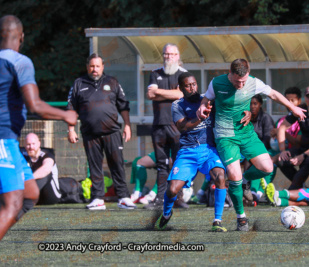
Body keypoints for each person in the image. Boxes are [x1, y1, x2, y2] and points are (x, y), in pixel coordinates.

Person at [197, 59, 306, 231]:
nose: (241, 84)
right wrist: (202, 107)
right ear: (230, 73)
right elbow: (206, 99)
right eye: (237, 81)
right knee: (234, 175)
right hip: (225, 136)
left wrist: (293, 108)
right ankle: (241, 218)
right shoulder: (217, 83)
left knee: (267, 167)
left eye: (244, 81)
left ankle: (246, 180)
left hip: (246, 133)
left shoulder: (254, 83)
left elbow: (274, 94)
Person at [0, 15, 77, 240]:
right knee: (13, 204)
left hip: (10, 141)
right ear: (21, 37)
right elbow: (35, 105)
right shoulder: (20, 62)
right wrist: (66, 114)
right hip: (3, 139)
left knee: (30, 194)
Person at [156, 72, 249, 232]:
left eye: (194, 84)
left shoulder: (207, 100)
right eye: (187, 85)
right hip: (188, 152)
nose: (192, 88)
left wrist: (246, 111)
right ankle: (166, 214)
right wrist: (200, 117)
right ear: (180, 88)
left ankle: (217, 221)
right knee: (172, 190)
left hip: (209, 149)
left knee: (220, 177)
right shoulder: (177, 105)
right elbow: (182, 126)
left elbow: (229, 105)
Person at [67, 53, 136, 210]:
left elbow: (123, 105)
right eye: (92, 66)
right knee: (94, 166)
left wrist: (127, 125)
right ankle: (97, 198)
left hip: (112, 132)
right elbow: (71, 107)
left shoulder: (112, 82)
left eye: (97, 66)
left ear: (103, 67)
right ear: (87, 67)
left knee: (117, 164)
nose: (94, 69)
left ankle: (124, 197)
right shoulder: (79, 83)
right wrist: (71, 129)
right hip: (90, 133)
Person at [145, 43, 187, 209]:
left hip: (178, 126)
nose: (169, 57)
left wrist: (159, 92)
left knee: (179, 163)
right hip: (159, 125)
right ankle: (160, 199)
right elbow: (150, 94)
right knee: (161, 164)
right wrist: (172, 93)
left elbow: (181, 94)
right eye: (166, 54)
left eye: (172, 54)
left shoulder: (184, 74)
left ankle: (178, 198)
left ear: (178, 56)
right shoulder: (155, 73)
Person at [277, 85, 309, 190]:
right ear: (305, 98)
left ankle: (291, 191)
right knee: (281, 160)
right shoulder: (300, 110)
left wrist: (302, 156)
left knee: (307, 161)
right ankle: (301, 187)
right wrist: (282, 150)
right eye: (308, 97)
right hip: (302, 147)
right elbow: (281, 128)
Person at [243, 94, 275, 202]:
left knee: (265, 163)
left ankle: (256, 192)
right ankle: (247, 190)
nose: (252, 106)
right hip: (246, 150)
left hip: (265, 150)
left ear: (260, 104)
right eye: (250, 104)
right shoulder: (244, 118)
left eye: (255, 103)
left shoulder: (266, 118)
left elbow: (267, 139)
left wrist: (257, 153)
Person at [22, 133, 61, 205]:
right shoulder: (21, 155)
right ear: (24, 145)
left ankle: (25, 197)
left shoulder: (47, 154)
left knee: (46, 173)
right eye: (28, 144)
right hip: (35, 197)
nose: (31, 147)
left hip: (50, 196)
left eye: (33, 144)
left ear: (39, 144)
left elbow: (46, 169)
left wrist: (28, 179)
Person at [270, 86, 302, 155]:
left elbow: (298, 144)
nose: (289, 103)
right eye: (287, 100)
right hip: (278, 152)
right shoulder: (280, 121)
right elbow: (273, 140)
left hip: (294, 154)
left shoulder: (302, 121)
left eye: (292, 100)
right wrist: (273, 134)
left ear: (299, 101)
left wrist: (282, 132)